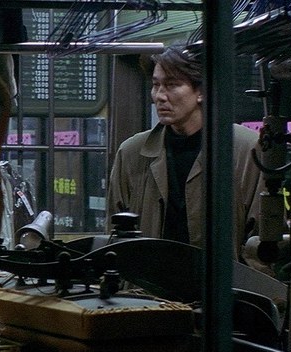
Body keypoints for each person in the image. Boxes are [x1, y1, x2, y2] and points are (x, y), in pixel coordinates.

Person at [106, 45, 263, 260]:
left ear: (201, 91)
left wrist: (242, 281)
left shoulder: (245, 149)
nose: (160, 96)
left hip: (222, 281)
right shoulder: (132, 152)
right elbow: (114, 235)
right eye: (156, 85)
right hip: (148, 279)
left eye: (171, 85)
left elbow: (261, 244)